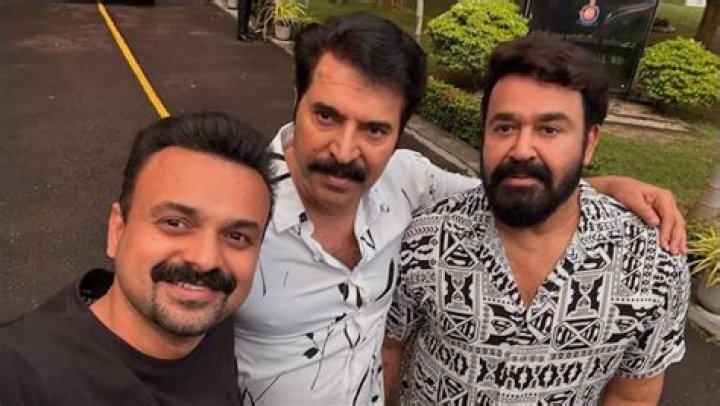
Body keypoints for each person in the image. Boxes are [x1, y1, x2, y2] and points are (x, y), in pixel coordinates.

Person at [233, 13, 686, 405]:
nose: (344, 150)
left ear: (400, 132)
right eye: (327, 116)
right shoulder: (235, 213)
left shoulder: (407, 181)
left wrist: (605, 186)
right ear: (298, 95)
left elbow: (513, 187)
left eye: (374, 130)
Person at [383, 34, 691, 405]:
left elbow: (631, 394)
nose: (521, 149)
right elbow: (387, 353)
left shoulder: (652, 262)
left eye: (549, 129)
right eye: (504, 127)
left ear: (589, 143)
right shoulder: (426, 238)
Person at [0, 112, 275, 405]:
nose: (207, 259)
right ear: (117, 231)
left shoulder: (214, 322)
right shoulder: (20, 378)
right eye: (175, 223)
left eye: (236, 236)